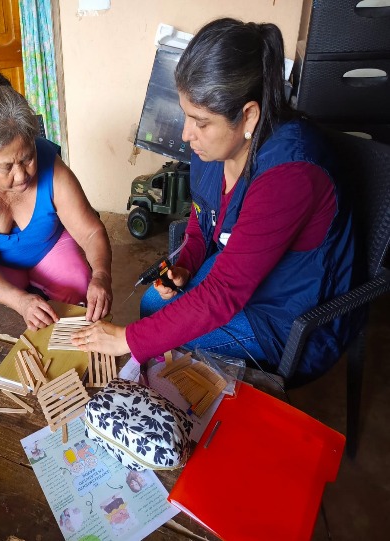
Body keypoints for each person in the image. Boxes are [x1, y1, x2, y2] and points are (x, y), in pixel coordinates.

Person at [73, 18, 355, 383]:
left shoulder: (291, 173)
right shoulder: (213, 151)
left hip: (288, 315)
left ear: (248, 116)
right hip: (245, 277)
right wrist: (186, 264)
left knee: (157, 334)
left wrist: (127, 339)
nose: (186, 134)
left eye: (201, 122)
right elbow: (200, 218)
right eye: (186, 116)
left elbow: (224, 293)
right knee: (153, 303)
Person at [0, 73, 112, 331]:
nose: (21, 175)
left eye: (27, 158)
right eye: (7, 166)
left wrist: (101, 275)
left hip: (49, 249)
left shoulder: (50, 164)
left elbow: (91, 232)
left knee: (80, 298)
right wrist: (20, 301)